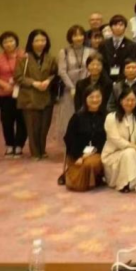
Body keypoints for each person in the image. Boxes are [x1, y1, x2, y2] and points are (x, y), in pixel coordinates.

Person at [16, 29, 58, 160]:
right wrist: (33, 83)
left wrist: (48, 81)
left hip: (46, 96)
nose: (40, 43)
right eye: (37, 40)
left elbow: (55, 73)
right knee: (32, 127)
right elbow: (18, 77)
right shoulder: (24, 58)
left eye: (43, 40)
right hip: (30, 96)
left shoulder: (51, 58)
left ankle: (42, 149)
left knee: (44, 127)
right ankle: (35, 152)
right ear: (31, 42)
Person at [62, 85, 106, 191]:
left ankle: (96, 177)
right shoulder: (77, 117)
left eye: (98, 96)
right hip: (77, 153)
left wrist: (92, 152)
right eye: (91, 97)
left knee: (92, 163)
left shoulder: (106, 116)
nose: (95, 100)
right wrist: (79, 155)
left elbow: (106, 139)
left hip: (98, 151)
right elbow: (69, 139)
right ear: (85, 99)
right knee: (79, 181)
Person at [102, 88, 136, 193]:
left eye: (133, 100)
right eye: (127, 100)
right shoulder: (111, 118)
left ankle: (131, 181)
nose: (130, 103)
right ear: (121, 101)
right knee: (130, 152)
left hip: (134, 154)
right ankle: (123, 184)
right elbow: (116, 140)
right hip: (113, 156)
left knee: (134, 153)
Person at [55, 25, 89, 140]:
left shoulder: (90, 51)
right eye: (75, 35)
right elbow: (62, 71)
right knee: (69, 116)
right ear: (70, 37)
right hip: (69, 89)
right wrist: (72, 87)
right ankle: (70, 141)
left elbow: (91, 69)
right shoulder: (64, 52)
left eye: (81, 35)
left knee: (84, 115)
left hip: (86, 88)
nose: (78, 38)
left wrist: (84, 85)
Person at [75, 54, 113, 120]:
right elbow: (78, 104)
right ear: (87, 66)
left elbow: (107, 103)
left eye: (98, 65)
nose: (95, 67)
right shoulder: (80, 84)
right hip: (84, 116)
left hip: (102, 117)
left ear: (102, 66)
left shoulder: (108, 84)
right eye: (92, 64)